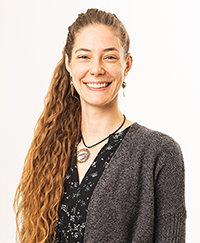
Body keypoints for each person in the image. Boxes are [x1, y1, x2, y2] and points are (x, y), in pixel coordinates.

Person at [14, 8, 186, 243]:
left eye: (109, 56)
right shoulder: (49, 149)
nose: (96, 69)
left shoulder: (159, 153)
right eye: (84, 56)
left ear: (127, 65)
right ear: (68, 64)